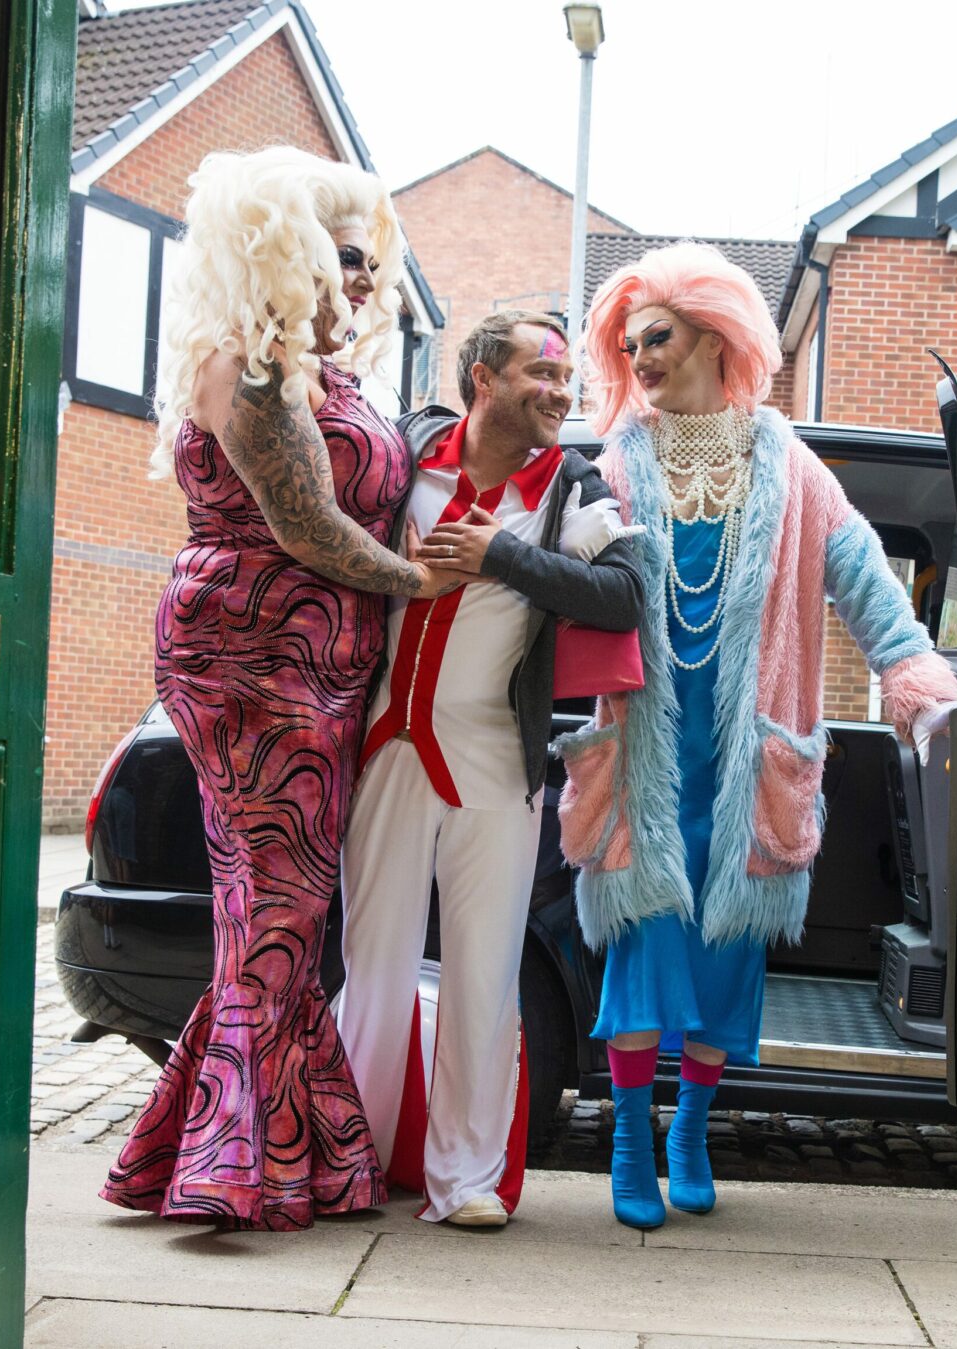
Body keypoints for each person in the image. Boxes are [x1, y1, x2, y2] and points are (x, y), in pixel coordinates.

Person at [555, 243, 957, 1230]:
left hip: (748, 763)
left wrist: (915, 680)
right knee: (645, 949)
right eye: (630, 345)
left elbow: (866, 581)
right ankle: (629, 1138)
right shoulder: (615, 464)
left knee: (726, 955)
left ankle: (692, 1130)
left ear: (714, 337)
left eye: (659, 337)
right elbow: (556, 577)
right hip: (646, 755)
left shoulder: (791, 468)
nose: (642, 358)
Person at [101, 148, 455, 1230]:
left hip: (321, 662)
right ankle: (231, 1165)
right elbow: (308, 525)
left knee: (274, 906)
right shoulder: (251, 366)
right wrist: (426, 581)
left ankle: (285, 1154)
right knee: (281, 903)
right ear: (283, 252)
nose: (364, 278)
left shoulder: (316, 371)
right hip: (255, 652)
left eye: (370, 261)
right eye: (343, 257)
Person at [336, 310, 645, 1228]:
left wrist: (503, 555)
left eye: (565, 380)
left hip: (495, 756)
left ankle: (467, 1177)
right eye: (539, 374)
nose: (558, 392)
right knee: (372, 960)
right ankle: (350, 1157)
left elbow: (628, 594)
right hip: (387, 744)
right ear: (482, 379)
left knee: (483, 969)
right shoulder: (405, 455)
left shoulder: (571, 487)